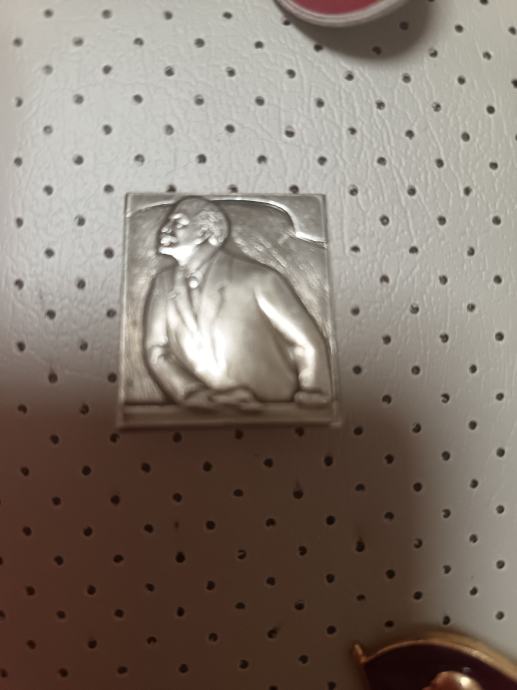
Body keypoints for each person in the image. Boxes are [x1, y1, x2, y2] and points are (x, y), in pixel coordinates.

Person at [143, 196, 332, 412]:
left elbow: (306, 342)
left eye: (178, 222)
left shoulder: (259, 279)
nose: (165, 228)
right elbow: (157, 350)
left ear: (204, 232)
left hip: (274, 411)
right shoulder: (163, 284)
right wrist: (191, 392)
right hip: (203, 412)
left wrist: (313, 395)